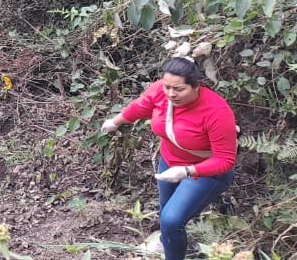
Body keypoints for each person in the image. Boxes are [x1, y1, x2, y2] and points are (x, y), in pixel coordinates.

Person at [99, 57, 237, 260]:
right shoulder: (160, 92)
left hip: (206, 172)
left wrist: (187, 171)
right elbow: (140, 107)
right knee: (165, 213)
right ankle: (167, 244)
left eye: (179, 89)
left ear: (195, 86)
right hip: (169, 161)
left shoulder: (216, 111)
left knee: (172, 220)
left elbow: (225, 160)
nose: (171, 94)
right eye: (167, 87)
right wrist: (116, 121)